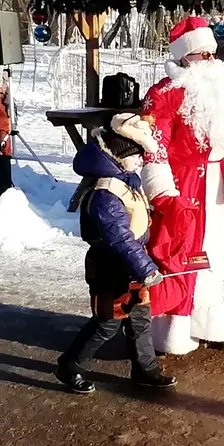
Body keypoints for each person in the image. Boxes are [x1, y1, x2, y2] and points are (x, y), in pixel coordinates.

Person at [141, 16, 224, 355]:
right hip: (185, 188)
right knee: (184, 254)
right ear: (183, 58)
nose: (208, 61)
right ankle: (177, 330)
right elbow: (152, 148)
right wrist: (164, 195)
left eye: (211, 54)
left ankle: (223, 326)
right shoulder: (164, 95)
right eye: (200, 55)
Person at [57, 113, 177, 394]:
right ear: (121, 155)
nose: (140, 161)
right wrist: (145, 268)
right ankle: (70, 366)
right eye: (136, 155)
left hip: (131, 264)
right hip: (110, 268)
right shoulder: (106, 193)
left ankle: (146, 371)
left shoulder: (125, 181)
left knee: (139, 320)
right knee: (106, 324)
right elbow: (118, 237)